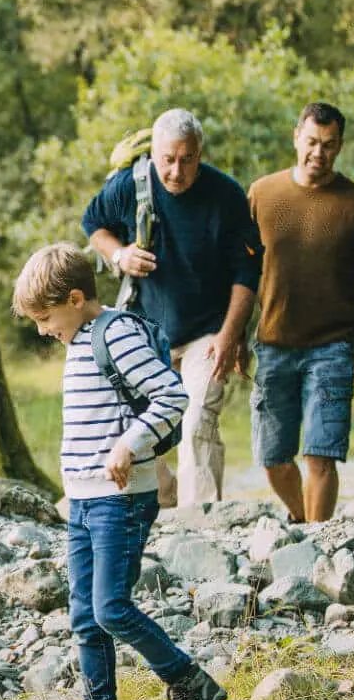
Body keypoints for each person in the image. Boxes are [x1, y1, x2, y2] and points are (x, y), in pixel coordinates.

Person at [14, 244, 226, 700]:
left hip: (122, 500)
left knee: (110, 607)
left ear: (77, 298)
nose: (42, 330)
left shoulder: (116, 333)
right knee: (86, 618)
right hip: (86, 501)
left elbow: (171, 396)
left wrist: (129, 444)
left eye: (45, 318)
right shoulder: (79, 337)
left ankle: (190, 682)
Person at [83, 109, 261, 508]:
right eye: (168, 159)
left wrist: (231, 334)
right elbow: (93, 223)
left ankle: (202, 521)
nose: (176, 171)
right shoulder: (132, 185)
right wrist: (120, 254)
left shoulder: (226, 195)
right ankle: (161, 505)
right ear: (154, 154)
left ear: (200, 154)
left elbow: (248, 272)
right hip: (147, 333)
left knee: (197, 420)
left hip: (209, 332)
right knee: (145, 426)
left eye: (187, 159)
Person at [247, 104, 354, 523]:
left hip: (332, 347)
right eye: (312, 142)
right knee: (273, 458)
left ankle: (318, 542)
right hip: (273, 343)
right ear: (296, 137)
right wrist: (234, 336)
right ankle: (302, 521)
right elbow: (238, 274)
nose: (318, 153)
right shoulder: (262, 194)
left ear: (340, 147)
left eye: (329, 146)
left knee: (320, 455)